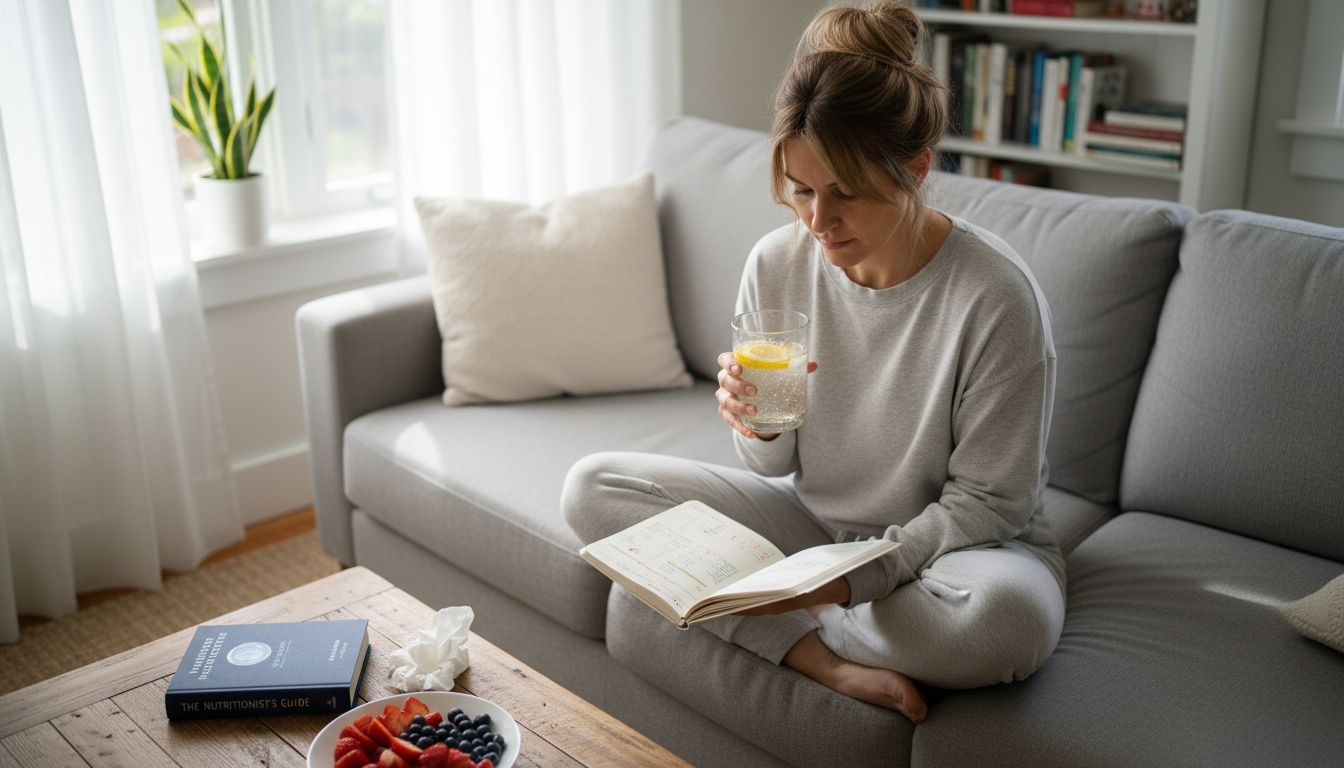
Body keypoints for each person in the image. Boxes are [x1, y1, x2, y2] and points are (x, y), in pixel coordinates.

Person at [562, 0, 1065, 724]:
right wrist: (757, 427)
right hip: (812, 525)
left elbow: (993, 502)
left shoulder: (995, 297)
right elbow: (772, 470)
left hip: (956, 552)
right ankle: (819, 657)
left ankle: (744, 606)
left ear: (915, 170)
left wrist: (849, 581)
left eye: (846, 194)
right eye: (801, 190)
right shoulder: (777, 265)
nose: (817, 222)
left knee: (1001, 625)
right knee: (594, 487)